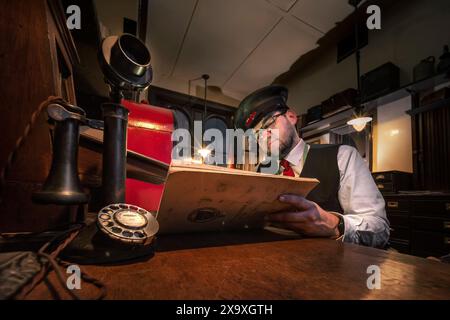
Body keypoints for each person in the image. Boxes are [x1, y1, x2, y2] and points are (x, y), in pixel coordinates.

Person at [235, 85, 389, 248]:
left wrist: (336, 225)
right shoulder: (260, 171)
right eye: (256, 135)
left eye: (269, 123)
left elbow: (380, 229)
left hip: (333, 264)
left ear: (291, 116)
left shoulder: (342, 156)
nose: (264, 136)